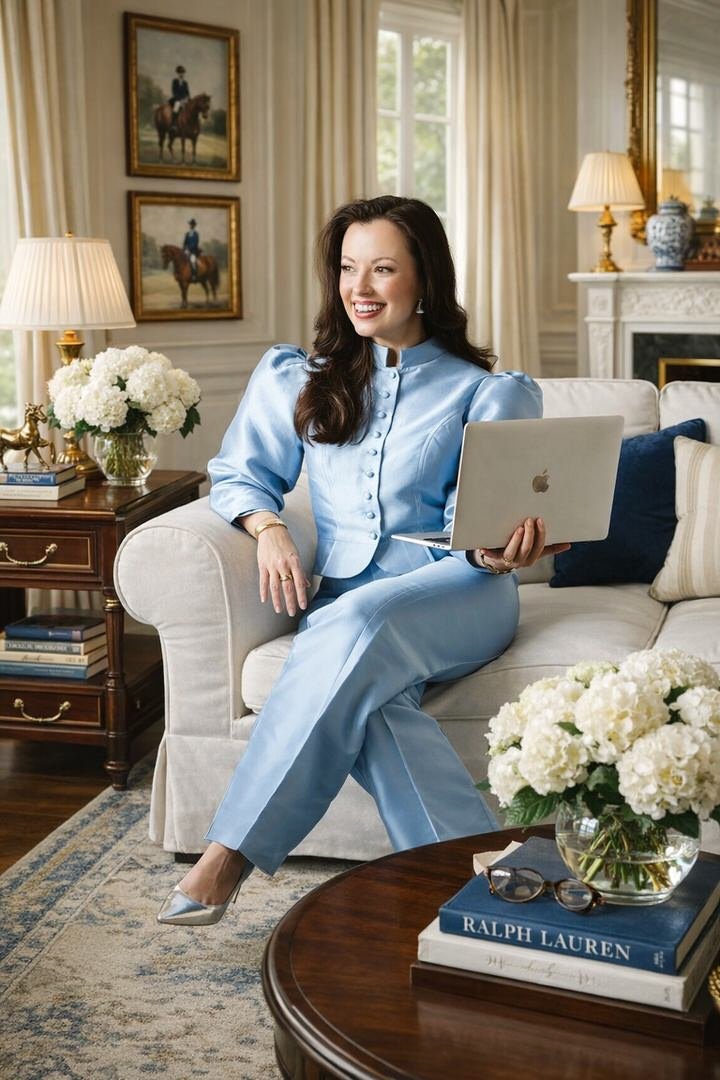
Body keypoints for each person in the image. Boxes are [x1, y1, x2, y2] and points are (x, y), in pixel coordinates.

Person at [157, 195, 570, 926]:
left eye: (382, 269)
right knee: (374, 703)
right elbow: (238, 472)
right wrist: (270, 529)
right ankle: (482, 892)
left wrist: (504, 548)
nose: (361, 287)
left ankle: (229, 854)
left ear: (424, 280)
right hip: (348, 599)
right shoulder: (299, 377)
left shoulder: (488, 390)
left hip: (461, 589)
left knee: (351, 623)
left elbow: (490, 526)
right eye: (349, 268)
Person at [169, 65, 190, 133]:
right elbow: (174, 91)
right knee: (176, 107)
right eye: (180, 72)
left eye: (183, 72)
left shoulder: (185, 83)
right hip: (176, 99)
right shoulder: (175, 81)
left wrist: (188, 99)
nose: (182, 74)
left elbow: (187, 93)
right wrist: (179, 100)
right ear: (178, 73)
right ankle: (173, 125)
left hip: (184, 100)